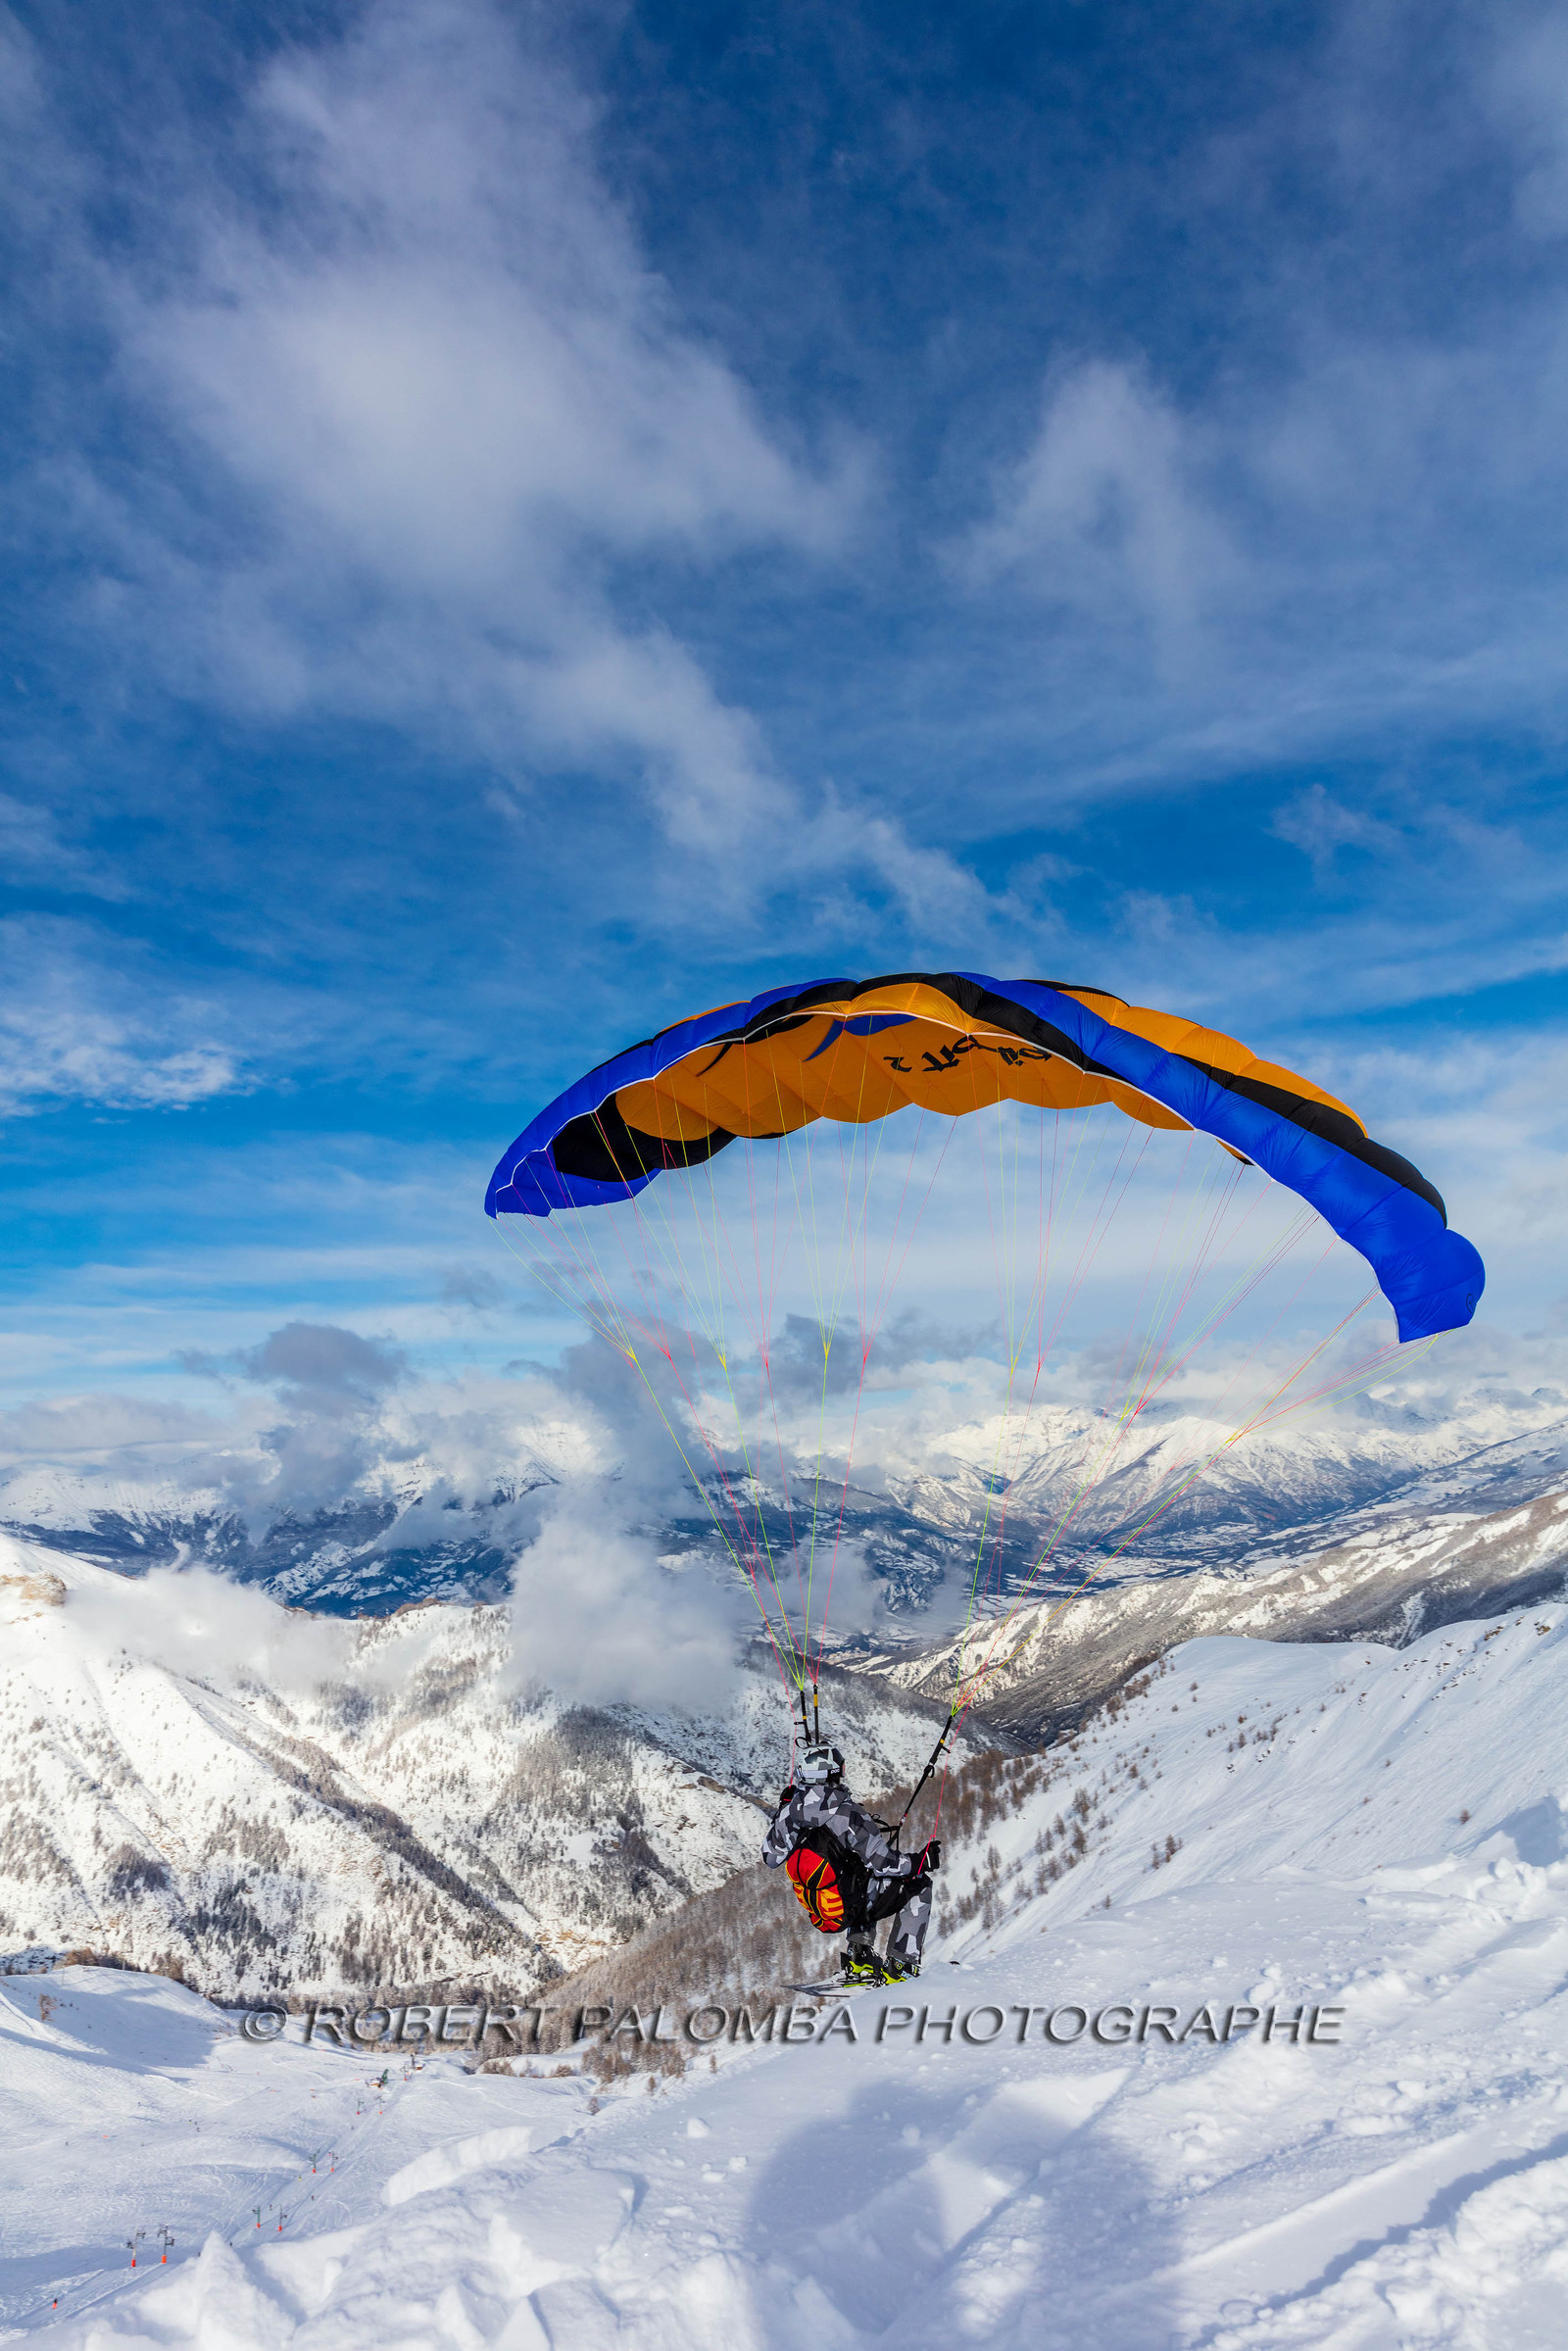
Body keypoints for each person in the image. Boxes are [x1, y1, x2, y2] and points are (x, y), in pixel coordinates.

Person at [763, 1742, 942, 1984]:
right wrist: (921, 1861)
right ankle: (902, 1966)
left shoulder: (790, 1813)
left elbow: (770, 1858)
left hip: (821, 1910)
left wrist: (782, 1811)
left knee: (859, 1875)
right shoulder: (848, 1813)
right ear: (832, 1773)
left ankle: (859, 1959)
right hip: (848, 1905)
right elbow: (884, 1864)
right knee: (919, 1885)